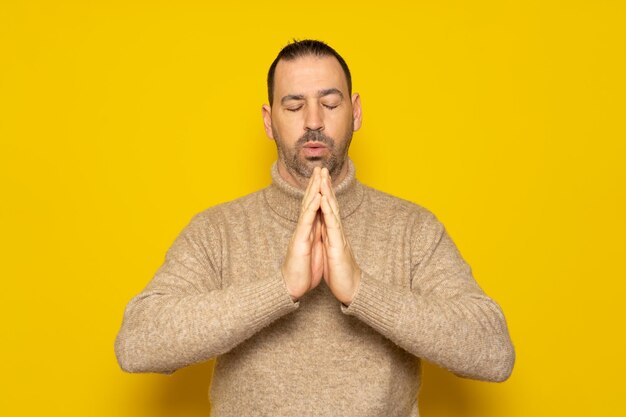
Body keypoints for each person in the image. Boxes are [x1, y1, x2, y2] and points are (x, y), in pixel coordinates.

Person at [115, 39, 515, 416]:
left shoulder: (412, 230)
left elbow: (493, 352)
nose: (313, 121)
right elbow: (137, 344)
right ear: (269, 121)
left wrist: (361, 290)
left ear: (355, 112)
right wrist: (279, 289)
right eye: (293, 106)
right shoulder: (217, 231)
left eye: (330, 102)